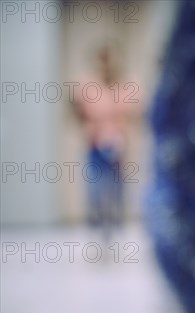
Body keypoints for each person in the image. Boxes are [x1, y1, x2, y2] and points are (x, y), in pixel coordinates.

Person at [74, 45, 135, 237]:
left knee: (116, 189)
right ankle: (98, 225)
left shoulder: (123, 87)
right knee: (95, 188)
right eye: (102, 61)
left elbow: (130, 115)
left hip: (117, 146)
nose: (106, 66)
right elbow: (77, 111)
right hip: (94, 145)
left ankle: (115, 226)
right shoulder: (87, 87)